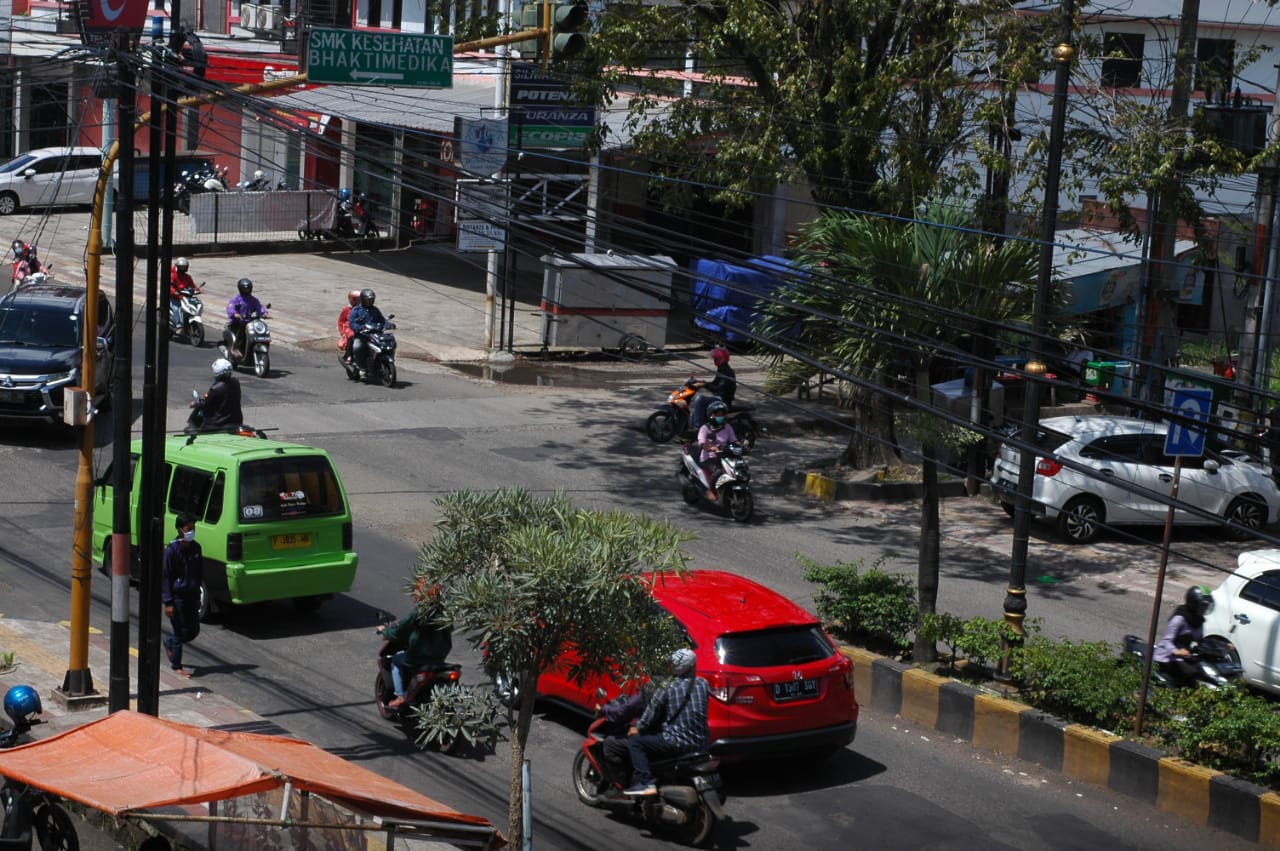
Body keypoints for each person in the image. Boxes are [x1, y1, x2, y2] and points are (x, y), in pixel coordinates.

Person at [624, 648, 710, 797]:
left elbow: (649, 716)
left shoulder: (666, 687)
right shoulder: (703, 684)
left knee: (635, 741)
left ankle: (645, 783)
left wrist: (637, 728)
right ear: (693, 666)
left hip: (675, 741)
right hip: (701, 742)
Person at [376, 583, 453, 710]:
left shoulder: (419, 613)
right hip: (439, 656)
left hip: (418, 657)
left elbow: (398, 632)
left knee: (395, 661)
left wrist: (384, 630)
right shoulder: (444, 613)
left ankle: (400, 697)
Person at [161, 512, 204, 678]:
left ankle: (170, 642)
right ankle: (176, 665)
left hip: (191, 596)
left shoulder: (196, 548)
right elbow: (166, 577)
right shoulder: (171, 551)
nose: (191, 531)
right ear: (180, 530)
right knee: (180, 632)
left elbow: (199, 573)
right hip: (177, 598)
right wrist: (168, 602)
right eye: (188, 528)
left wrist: (198, 595)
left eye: (193, 528)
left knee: (193, 631)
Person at [598, 685, 653, 792]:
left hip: (650, 738)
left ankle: (620, 788)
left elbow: (624, 710)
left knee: (610, 744)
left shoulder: (650, 690)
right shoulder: (677, 687)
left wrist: (604, 709)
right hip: (665, 737)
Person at [1153, 585, 1210, 686]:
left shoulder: (1198, 620)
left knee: (1204, 672)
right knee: (1192, 676)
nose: (1204, 609)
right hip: (1167, 657)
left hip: (1185, 656)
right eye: (1202, 606)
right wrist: (1177, 651)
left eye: (1206, 606)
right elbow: (1167, 641)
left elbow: (1201, 641)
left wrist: (1223, 645)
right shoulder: (1179, 619)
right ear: (1194, 603)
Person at [697, 400, 737, 502]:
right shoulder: (705, 428)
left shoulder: (727, 427)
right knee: (719, 471)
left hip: (725, 456)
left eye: (722, 415)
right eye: (718, 415)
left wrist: (742, 446)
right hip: (709, 458)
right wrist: (710, 448)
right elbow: (701, 443)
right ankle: (711, 490)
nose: (720, 417)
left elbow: (734, 440)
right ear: (711, 415)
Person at [690, 345, 737, 428]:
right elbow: (714, 383)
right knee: (697, 404)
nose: (714, 360)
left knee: (700, 399)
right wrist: (701, 382)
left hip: (723, 400)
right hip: (719, 398)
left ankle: (698, 427)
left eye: (716, 358)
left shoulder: (727, 372)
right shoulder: (721, 369)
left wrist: (704, 385)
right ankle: (694, 425)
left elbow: (718, 388)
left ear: (721, 359)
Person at [348, 288, 386, 379]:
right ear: (363, 300)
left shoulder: (375, 310)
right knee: (357, 347)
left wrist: (389, 324)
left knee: (385, 345)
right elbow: (351, 322)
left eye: (371, 300)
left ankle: (379, 364)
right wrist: (359, 328)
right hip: (362, 336)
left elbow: (382, 320)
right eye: (368, 300)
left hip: (374, 335)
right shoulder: (356, 310)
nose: (370, 302)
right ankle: (362, 367)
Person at [197, 358, 243, 431]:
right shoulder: (236, 382)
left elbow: (205, 402)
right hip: (237, 421)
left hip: (219, 424)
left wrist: (198, 403)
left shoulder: (216, 388)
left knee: (201, 432)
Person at [225, 277, 266, 359]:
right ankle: (235, 348)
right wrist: (235, 314)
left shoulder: (253, 300)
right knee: (242, 330)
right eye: (245, 289)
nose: (247, 291)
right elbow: (230, 307)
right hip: (238, 322)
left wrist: (264, 313)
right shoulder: (237, 299)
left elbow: (260, 307)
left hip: (251, 322)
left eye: (248, 289)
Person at [169, 257, 199, 331]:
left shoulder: (187, 277)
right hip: (174, 297)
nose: (182, 269)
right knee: (176, 308)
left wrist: (197, 290)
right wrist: (174, 291)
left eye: (184, 267)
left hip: (185, 297)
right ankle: (178, 325)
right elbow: (170, 286)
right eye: (181, 267)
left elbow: (193, 285)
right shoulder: (173, 275)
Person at [337, 288, 361, 363]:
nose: (359, 301)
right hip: (349, 327)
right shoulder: (346, 309)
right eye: (357, 300)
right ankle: (348, 355)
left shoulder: (362, 309)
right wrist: (342, 332)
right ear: (352, 300)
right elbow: (340, 321)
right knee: (352, 336)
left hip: (359, 326)